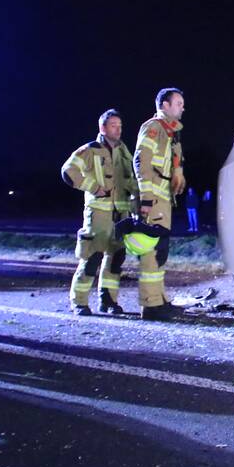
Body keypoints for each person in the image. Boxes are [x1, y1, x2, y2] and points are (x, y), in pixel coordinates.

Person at [61, 109, 137, 315]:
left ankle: (108, 301)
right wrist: (93, 187)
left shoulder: (123, 150)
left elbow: (130, 178)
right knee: (91, 257)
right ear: (102, 128)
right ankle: (79, 302)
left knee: (116, 259)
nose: (118, 129)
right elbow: (68, 171)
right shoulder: (90, 150)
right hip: (98, 214)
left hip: (121, 214)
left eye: (120, 126)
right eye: (113, 125)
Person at [134, 88, 186, 320]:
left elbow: (173, 162)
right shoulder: (153, 128)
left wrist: (178, 174)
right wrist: (146, 197)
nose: (183, 107)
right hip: (153, 198)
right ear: (164, 105)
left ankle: (159, 299)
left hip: (163, 198)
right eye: (178, 103)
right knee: (152, 252)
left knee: (160, 251)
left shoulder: (170, 132)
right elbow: (141, 161)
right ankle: (150, 305)